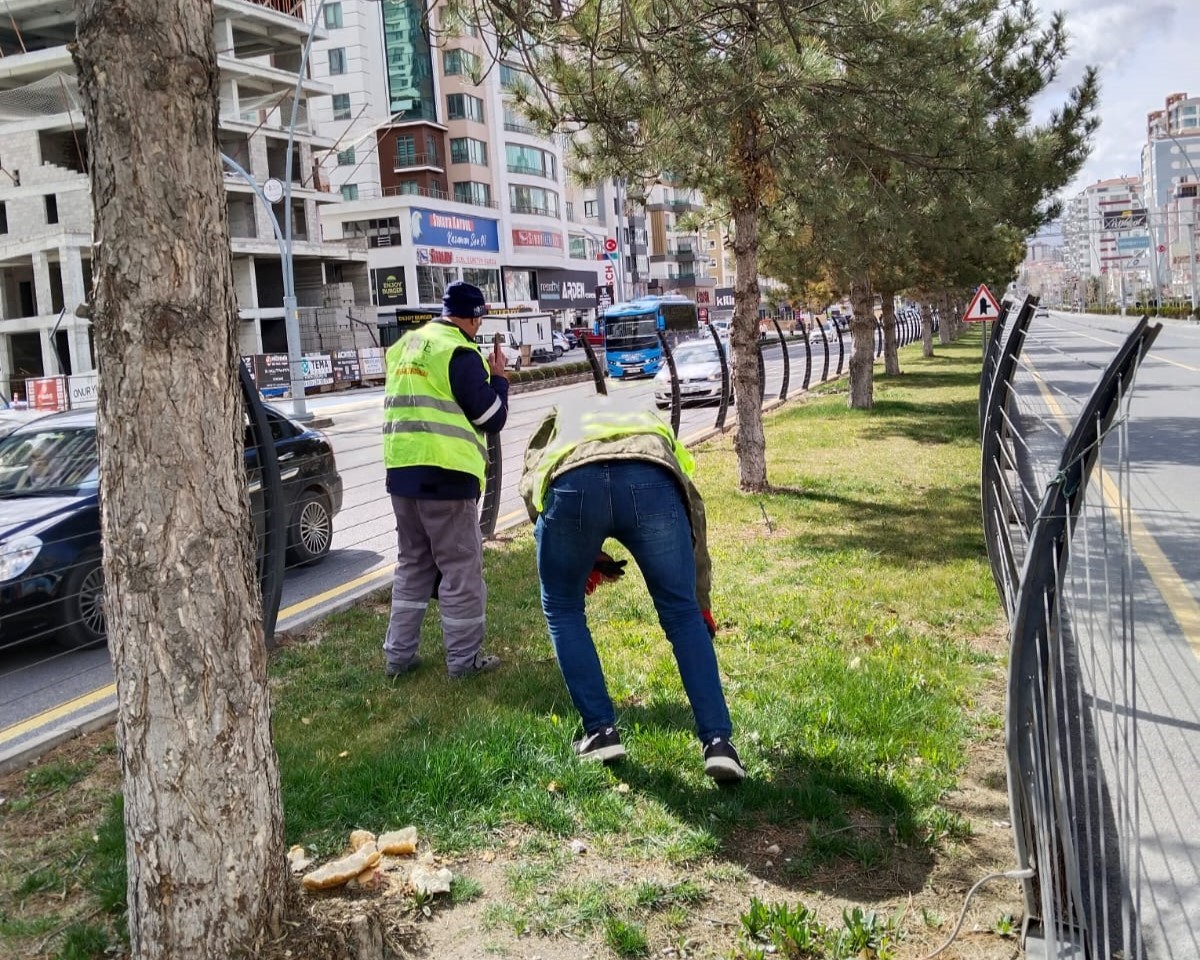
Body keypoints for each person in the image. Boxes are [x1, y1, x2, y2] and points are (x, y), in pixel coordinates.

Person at [518, 395, 745, 783]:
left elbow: (533, 481)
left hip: (574, 483)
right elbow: (694, 510)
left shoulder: (560, 416)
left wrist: (566, 548)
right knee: (681, 615)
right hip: (652, 479)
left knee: (563, 607)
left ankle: (600, 732)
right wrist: (700, 602)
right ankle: (719, 743)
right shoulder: (649, 420)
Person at [381, 280, 508, 679]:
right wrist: (499, 379)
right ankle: (464, 661)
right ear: (474, 317)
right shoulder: (459, 352)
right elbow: (492, 417)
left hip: (402, 473)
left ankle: (398, 657)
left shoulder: (405, 347)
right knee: (460, 569)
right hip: (447, 477)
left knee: (413, 565)